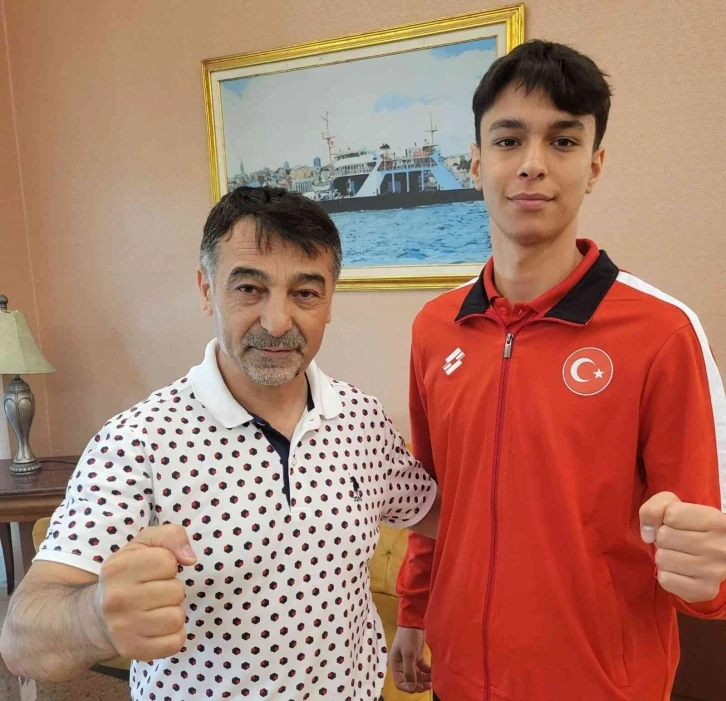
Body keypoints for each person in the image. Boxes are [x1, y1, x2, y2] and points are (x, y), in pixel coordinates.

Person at [0, 186, 439, 700]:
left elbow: (446, 518)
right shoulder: (137, 442)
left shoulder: (363, 420)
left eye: (305, 293)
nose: (277, 322)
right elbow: (21, 641)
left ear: (329, 302)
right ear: (206, 289)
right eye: (249, 288)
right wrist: (94, 616)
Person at [389, 40, 726, 701]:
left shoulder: (662, 332)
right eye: (509, 140)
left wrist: (712, 578)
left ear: (594, 165)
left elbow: (701, 539)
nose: (533, 164)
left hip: (602, 686)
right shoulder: (435, 327)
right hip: (459, 678)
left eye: (563, 141)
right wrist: (414, 608)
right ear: (476, 162)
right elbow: (432, 496)